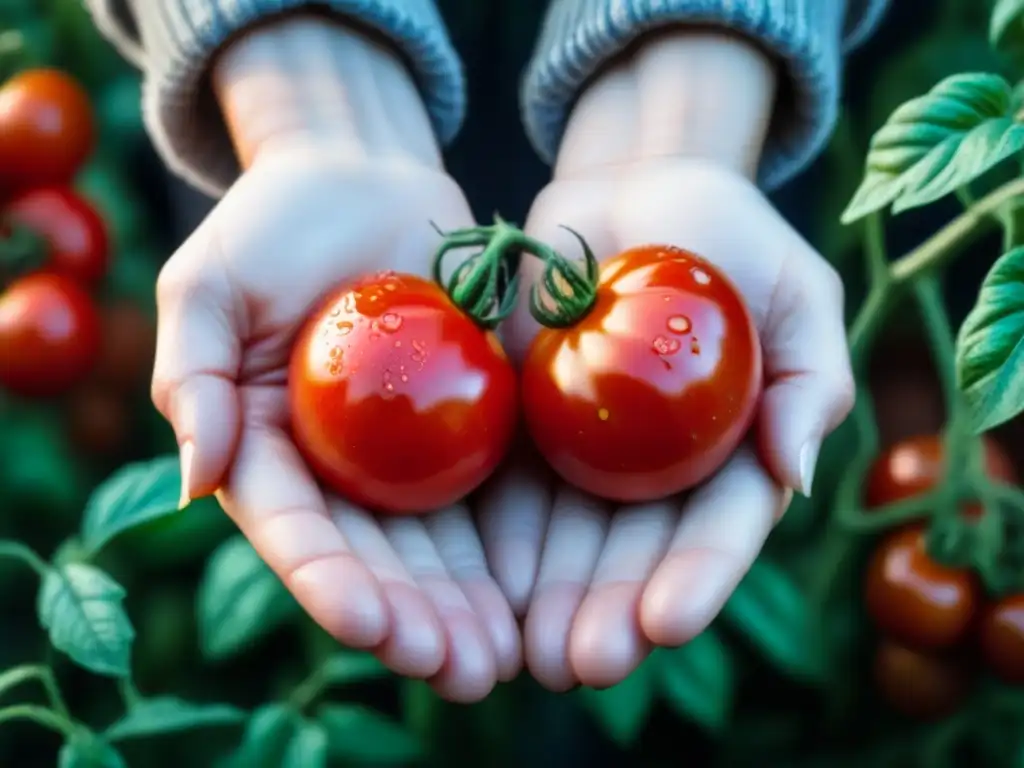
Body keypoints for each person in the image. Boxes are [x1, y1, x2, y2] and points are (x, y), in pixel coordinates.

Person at [86, 0, 885, 702]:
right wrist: (302, 91)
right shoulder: (668, 304)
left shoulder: (639, 315)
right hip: (288, 177)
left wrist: (685, 98)